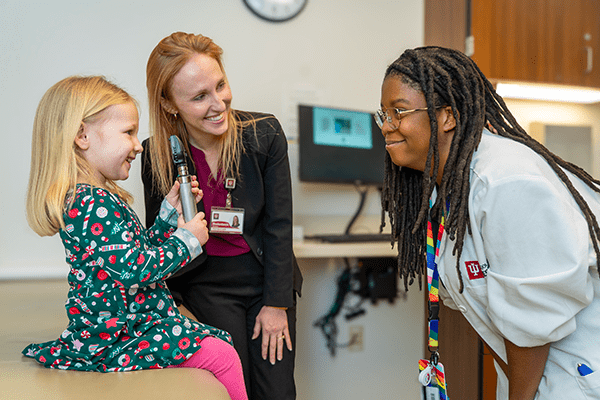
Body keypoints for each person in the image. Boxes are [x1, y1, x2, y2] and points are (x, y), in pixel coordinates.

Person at [377, 46, 600, 399]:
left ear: (447, 116)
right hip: (534, 378)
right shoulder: (443, 193)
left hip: (579, 378)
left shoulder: (506, 180)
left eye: (399, 112)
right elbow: (488, 310)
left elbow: (531, 324)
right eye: (384, 114)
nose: (387, 127)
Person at [23, 75, 248, 400]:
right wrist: (187, 241)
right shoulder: (92, 204)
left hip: (124, 326)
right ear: (82, 136)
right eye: (128, 132)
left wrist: (168, 218)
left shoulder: (91, 198)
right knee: (222, 354)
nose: (138, 144)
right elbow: (135, 270)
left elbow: (132, 252)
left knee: (215, 343)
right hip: (119, 335)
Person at [142, 32, 302, 399]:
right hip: (205, 284)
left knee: (277, 390)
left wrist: (277, 303)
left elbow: (279, 224)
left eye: (220, 85)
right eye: (199, 97)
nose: (219, 103)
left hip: (265, 280)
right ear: (169, 105)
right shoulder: (157, 154)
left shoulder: (263, 135)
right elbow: (159, 241)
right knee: (233, 389)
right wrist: (174, 308)